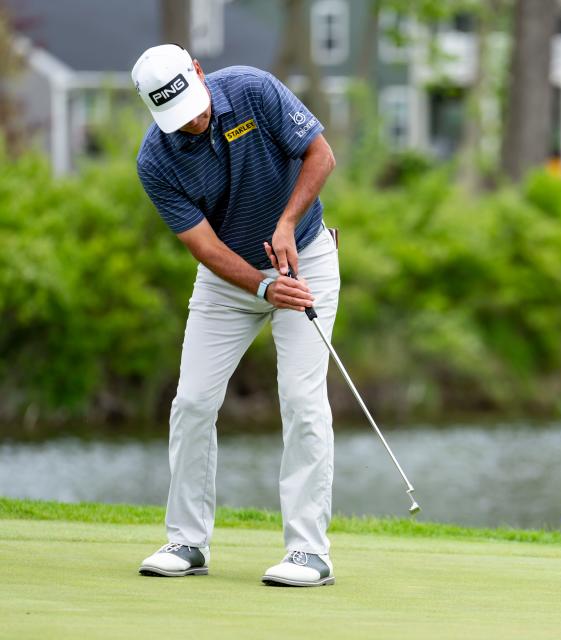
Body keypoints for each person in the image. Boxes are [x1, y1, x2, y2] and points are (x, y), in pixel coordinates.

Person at [131, 44, 339, 587]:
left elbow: (321, 156)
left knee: (301, 397)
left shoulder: (251, 88)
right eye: (179, 118)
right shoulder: (156, 160)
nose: (195, 122)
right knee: (193, 401)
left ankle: (309, 553)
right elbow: (203, 246)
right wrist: (262, 285)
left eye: (196, 107)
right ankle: (187, 540)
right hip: (229, 280)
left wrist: (288, 222)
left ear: (198, 72)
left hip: (306, 258)